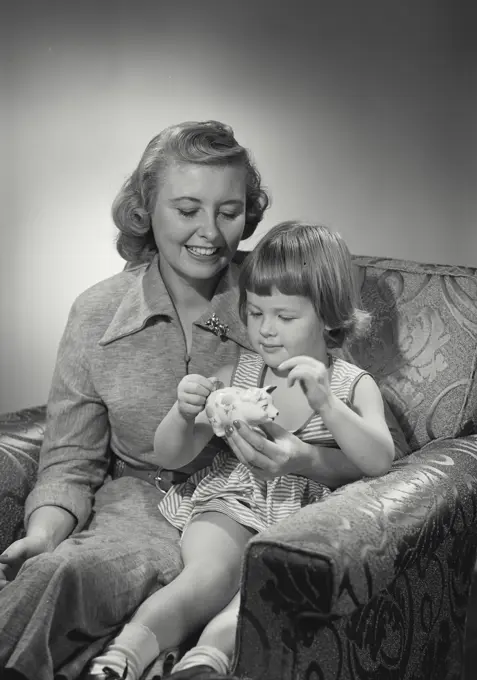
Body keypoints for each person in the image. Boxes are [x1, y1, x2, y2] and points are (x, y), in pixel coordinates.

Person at [0, 119, 271, 680]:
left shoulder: (276, 297)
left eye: (229, 210)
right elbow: (70, 461)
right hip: (135, 513)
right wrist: (45, 534)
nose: (211, 232)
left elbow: (336, 399)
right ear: (146, 210)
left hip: (246, 515)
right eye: (187, 208)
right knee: (60, 572)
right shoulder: (97, 311)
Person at [86, 222, 395, 680]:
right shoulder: (240, 372)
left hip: (303, 519)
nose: (266, 331)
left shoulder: (351, 385)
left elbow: (380, 460)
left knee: (258, 590)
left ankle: (207, 659)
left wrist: (327, 404)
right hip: (233, 501)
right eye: (255, 313)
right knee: (209, 575)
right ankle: (123, 656)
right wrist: (182, 411)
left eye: (286, 317)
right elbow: (169, 455)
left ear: (329, 316)